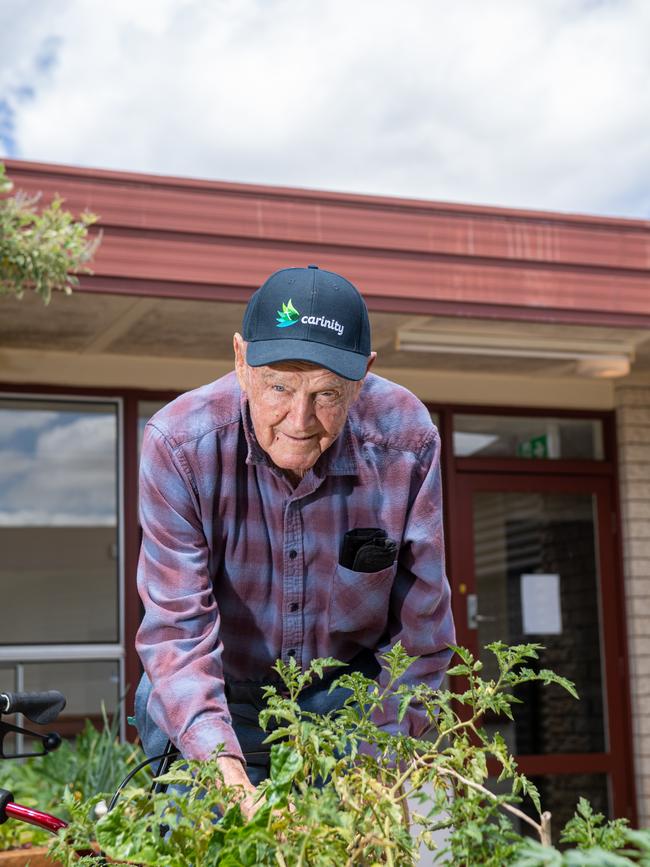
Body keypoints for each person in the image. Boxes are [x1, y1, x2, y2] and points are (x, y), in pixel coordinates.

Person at [134, 264, 455, 816]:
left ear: (364, 376)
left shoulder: (406, 441)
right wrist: (227, 778)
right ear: (241, 361)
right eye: (279, 386)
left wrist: (375, 774)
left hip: (349, 697)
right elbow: (178, 634)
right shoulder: (180, 443)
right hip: (219, 692)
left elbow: (419, 634)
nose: (300, 419)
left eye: (326, 392)